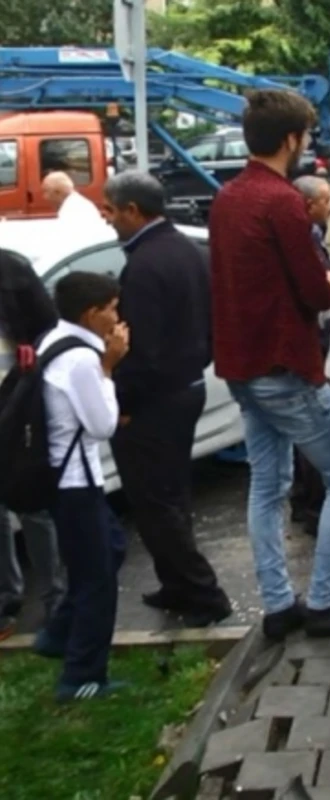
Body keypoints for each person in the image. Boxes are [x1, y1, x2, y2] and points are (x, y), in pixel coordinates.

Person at [209, 89, 330, 641]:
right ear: (291, 139)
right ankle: (324, 601)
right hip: (285, 367)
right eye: (307, 136)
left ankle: (278, 605)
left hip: (242, 368)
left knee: (266, 483)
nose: (308, 145)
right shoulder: (282, 202)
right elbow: (313, 294)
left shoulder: (227, 197)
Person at [102, 171, 232, 628]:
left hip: (154, 400)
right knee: (170, 496)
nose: (107, 219)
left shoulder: (144, 265)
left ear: (133, 211)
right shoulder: (189, 251)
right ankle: (177, 584)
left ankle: (203, 594)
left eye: (111, 210)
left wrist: (123, 402)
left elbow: (143, 349)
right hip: (187, 385)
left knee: (156, 504)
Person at [37, 272, 130, 702]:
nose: (117, 316)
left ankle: (57, 634)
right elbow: (102, 425)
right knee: (97, 581)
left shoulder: (55, 338)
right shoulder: (82, 361)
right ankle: (82, 677)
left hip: (65, 479)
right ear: (91, 314)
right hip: (76, 482)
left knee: (109, 549)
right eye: (111, 308)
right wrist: (109, 367)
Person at [0, 250, 64, 641]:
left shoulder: (12, 268)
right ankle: (7, 598)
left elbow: (48, 326)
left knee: (32, 504)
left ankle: (54, 597)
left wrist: (31, 350)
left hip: (15, 402)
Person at [289, 176, 330, 536]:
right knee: (314, 425)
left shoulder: (314, 237)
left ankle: (305, 498)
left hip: (318, 340)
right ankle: (311, 504)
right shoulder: (302, 241)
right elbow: (313, 291)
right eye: (326, 201)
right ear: (308, 205)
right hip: (308, 344)